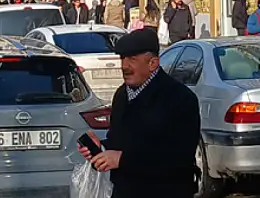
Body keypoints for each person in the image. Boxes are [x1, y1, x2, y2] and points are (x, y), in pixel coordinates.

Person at [77, 30, 200, 198]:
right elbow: (120, 143)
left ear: (153, 63)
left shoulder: (180, 98)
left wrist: (122, 159)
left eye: (132, 59)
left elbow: (178, 158)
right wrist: (102, 149)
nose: (124, 66)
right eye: (122, 58)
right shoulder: (122, 95)